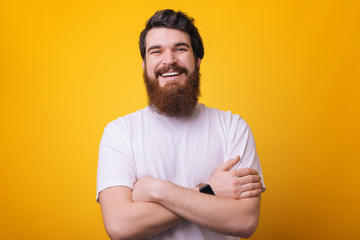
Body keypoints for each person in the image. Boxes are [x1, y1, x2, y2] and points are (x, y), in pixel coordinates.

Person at [97, 9, 265, 240]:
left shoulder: (233, 127)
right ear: (144, 65)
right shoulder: (119, 133)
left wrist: (156, 190)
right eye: (156, 51)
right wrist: (209, 191)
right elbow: (120, 225)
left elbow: (244, 221)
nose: (169, 60)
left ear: (197, 61)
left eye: (180, 49)